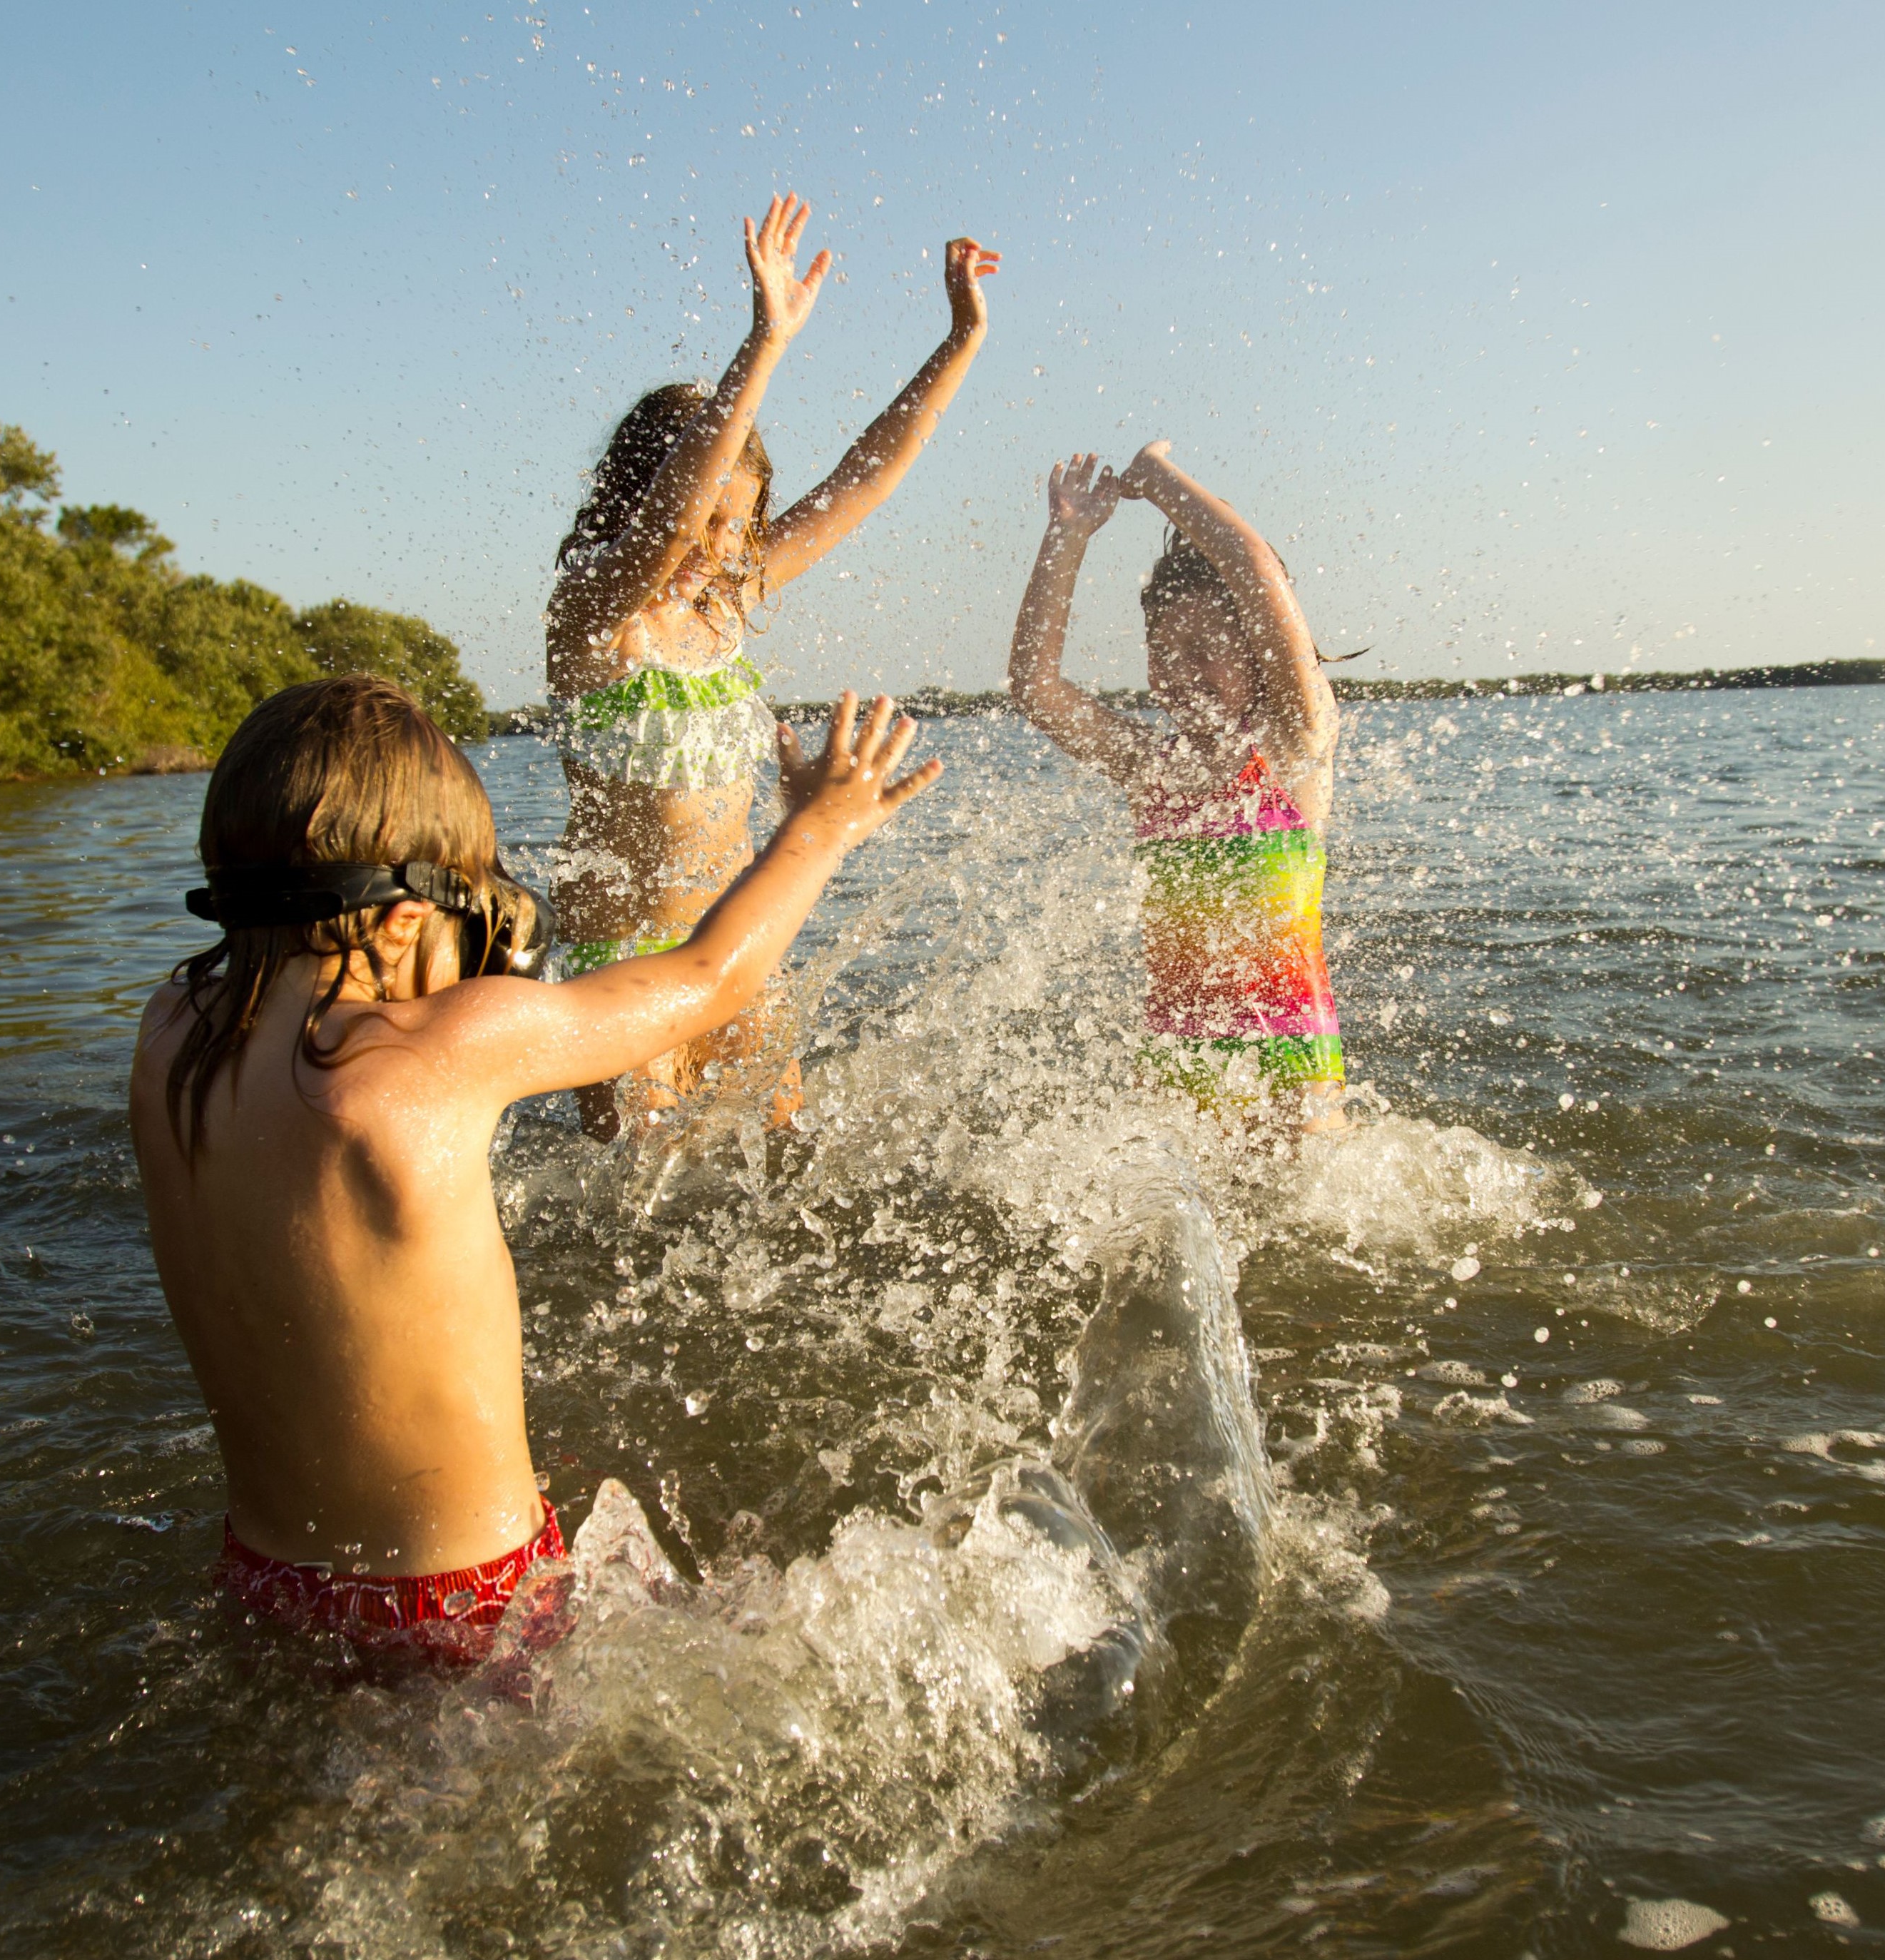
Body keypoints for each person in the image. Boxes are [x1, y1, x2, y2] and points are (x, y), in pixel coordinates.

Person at [128, 676, 938, 1662]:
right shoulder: (430, 1052)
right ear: (396, 919)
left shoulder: (169, 1034)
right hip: (463, 1600)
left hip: (266, 1580)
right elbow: (706, 980)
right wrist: (823, 823)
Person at [546, 193, 996, 1137]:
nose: (717, 544)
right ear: (637, 497)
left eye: (738, 521)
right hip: (619, 960)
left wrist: (958, 342)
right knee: (642, 1195)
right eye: (704, 518)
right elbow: (671, 522)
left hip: (735, 943)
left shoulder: (726, 604)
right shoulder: (592, 614)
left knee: (782, 1162)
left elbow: (862, 482)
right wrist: (764, 344)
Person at [1006, 442, 1346, 1129]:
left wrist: (1158, 478)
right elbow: (1036, 688)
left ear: (1258, 649)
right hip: (1176, 1069)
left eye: (1202, 650)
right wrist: (1067, 535)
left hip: (1294, 1075)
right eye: (1161, 651)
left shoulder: (1294, 745)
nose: (1178, 672)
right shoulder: (1151, 768)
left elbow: (1255, 569)